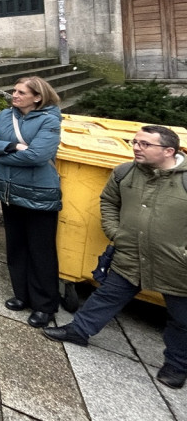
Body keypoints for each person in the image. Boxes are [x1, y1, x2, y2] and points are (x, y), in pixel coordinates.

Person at [43, 125, 187, 389]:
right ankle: (79, 331)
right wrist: (115, 232)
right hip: (131, 252)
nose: (136, 147)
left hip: (177, 264)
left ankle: (177, 366)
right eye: (135, 142)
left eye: (145, 144)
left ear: (169, 151)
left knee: (182, 318)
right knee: (108, 295)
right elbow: (109, 201)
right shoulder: (125, 172)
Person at [0, 77, 62, 328]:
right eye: (13, 90)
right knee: (16, 246)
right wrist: (14, 146)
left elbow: (39, 155)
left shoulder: (49, 119)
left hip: (38, 193)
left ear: (37, 97)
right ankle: (22, 295)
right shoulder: (6, 115)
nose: (14, 95)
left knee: (41, 250)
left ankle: (45, 305)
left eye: (21, 92)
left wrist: (2, 153)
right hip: (9, 191)